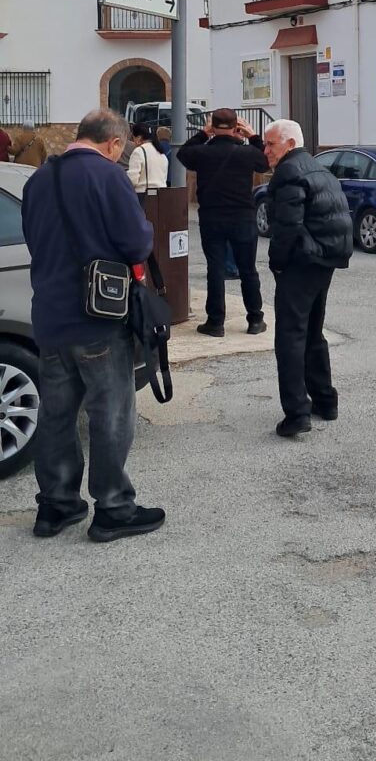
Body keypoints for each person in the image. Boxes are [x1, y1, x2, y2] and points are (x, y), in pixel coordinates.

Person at [21, 109, 165, 542]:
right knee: (111, 413)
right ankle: (114, 508)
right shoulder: (108, 176)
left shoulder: (36, 180)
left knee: (57, 414)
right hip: (98, 317)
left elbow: (35, 239)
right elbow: (136, 243)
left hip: (49, 314)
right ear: (114, 143)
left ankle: (56, 506)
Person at [263, 119, 353, 438]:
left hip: (302, 261)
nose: (265, 150)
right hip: (324, 259)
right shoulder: (316, 167)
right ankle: (325, 400)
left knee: (289, 337)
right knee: (313, 332)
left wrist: (278, 263)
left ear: (289, 144)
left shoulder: (289, 171)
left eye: (270, 144)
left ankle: (297, 412)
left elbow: (286, 226)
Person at [178, 108, 266, 337]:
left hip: (212, 217)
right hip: (243, 217)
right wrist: (253, 135)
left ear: (213, 125)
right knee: (248, 270)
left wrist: (203, 133)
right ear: (236, 125)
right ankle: (255, 319)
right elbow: (265, 161)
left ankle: (215, 322)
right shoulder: (246, 153)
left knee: (215, 269)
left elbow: (183, 153)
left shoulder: (203, 152)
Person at [127, 123, 169, 193]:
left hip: (143, 195)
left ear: (138, 138)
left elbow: (132, 180)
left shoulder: (138, 151)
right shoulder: (161, 153)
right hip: (161, 196)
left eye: (133, 138)